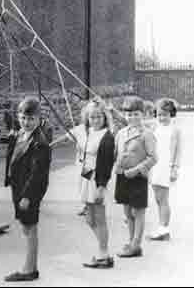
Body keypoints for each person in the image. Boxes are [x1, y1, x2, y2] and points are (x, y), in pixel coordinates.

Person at [4, 97, 52, 282]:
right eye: (23, 117)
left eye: (31, 119)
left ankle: (29, 269)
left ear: (39, 119)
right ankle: (31, 266)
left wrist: (28, 197)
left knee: (30, 227)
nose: (26, 122)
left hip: (28, 192)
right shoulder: (20, 135)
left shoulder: (40, 143)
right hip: (18, 187)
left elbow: (38, 174)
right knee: (26, 227)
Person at [69, 99, 116, 268]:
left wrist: (101, 187)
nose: (95, 120)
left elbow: (106, 164)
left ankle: (103, 254)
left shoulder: (107, 137)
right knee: (89, 220)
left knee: (100, 219)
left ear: (104, 117)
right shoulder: (88, 131)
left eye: (98, 117)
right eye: (92, 117)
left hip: (98, 180)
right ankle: (105, 252)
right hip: (87, 177)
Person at [114, 96, 158, 258]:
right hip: (123, 176)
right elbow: (116, 153)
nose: (132, 117)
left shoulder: (147, 134)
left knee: (137, 211)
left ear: (143, 115)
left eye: (136, 114)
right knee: (127, 212)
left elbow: (154, 158)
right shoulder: (121, 133)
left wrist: (138, 169)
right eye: (129, 114)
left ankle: (136, 245)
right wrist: (116, 167)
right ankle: (131, 241)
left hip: (138, 177)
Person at [149, 98, 182, 241]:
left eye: (165, 114)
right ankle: (162, 227)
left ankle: (164, 229)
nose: (162, 118)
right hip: (154, 166)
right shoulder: (153, 127)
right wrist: (111, 111)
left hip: (165, 166)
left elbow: (178, 151)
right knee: (158, 198)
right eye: (159, 114)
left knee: (163, 199)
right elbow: (131, 122)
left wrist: (174, 168)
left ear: (171, 114)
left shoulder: (175, 130)